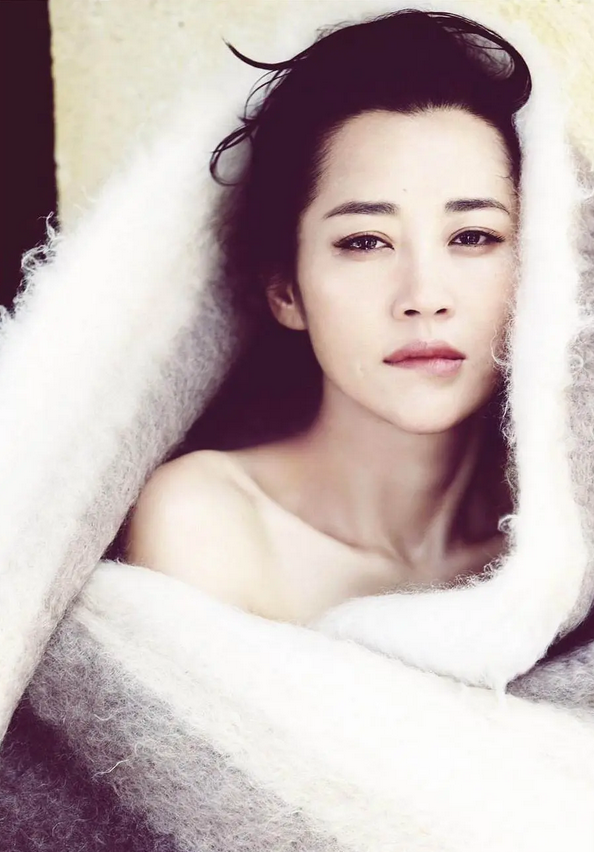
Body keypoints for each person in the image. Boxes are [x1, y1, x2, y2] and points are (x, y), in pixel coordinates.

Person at [124, 9, 531, 625]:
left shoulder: (552, 553)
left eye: (473, 236)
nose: (424, 296)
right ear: (286, 292)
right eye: (365, 241)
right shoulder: (209, 522)